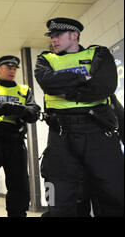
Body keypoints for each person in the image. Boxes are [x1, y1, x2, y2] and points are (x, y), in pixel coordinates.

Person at [35, 17, 124, 217]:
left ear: (74, 35)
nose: (53, 40)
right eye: (51, 37)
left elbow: (105, 86)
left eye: (58, 35)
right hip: (62, 135)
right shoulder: (45, 59)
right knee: (62, 198)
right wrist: (83, 79)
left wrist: (68, 92)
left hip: (98, 131)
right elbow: (48, 83)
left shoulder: (98, 54)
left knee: (113, 192)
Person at [0, 55, 40, 217]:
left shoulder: (25, 90)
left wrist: (9, 109)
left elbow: (33, 113)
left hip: (16, 142)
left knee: (19, 186)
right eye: (8, 67)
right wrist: (15, 108)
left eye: (14, 68)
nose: (12, 71)